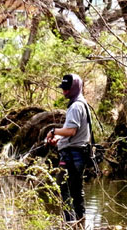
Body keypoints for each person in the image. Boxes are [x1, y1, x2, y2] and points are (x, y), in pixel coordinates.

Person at [47, 74, 91, 222]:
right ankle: (80, 223)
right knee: (77, 192)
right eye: (63, 88)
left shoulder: (76, 106)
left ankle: (70, 224)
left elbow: (71, 131)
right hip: (78, 153)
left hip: (73, 156)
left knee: (64, 190)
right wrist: (58, 139)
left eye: (67, 89)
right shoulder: (82, 103)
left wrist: (54, 131)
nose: (64, 92)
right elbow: (73, 133)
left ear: (75, 88)